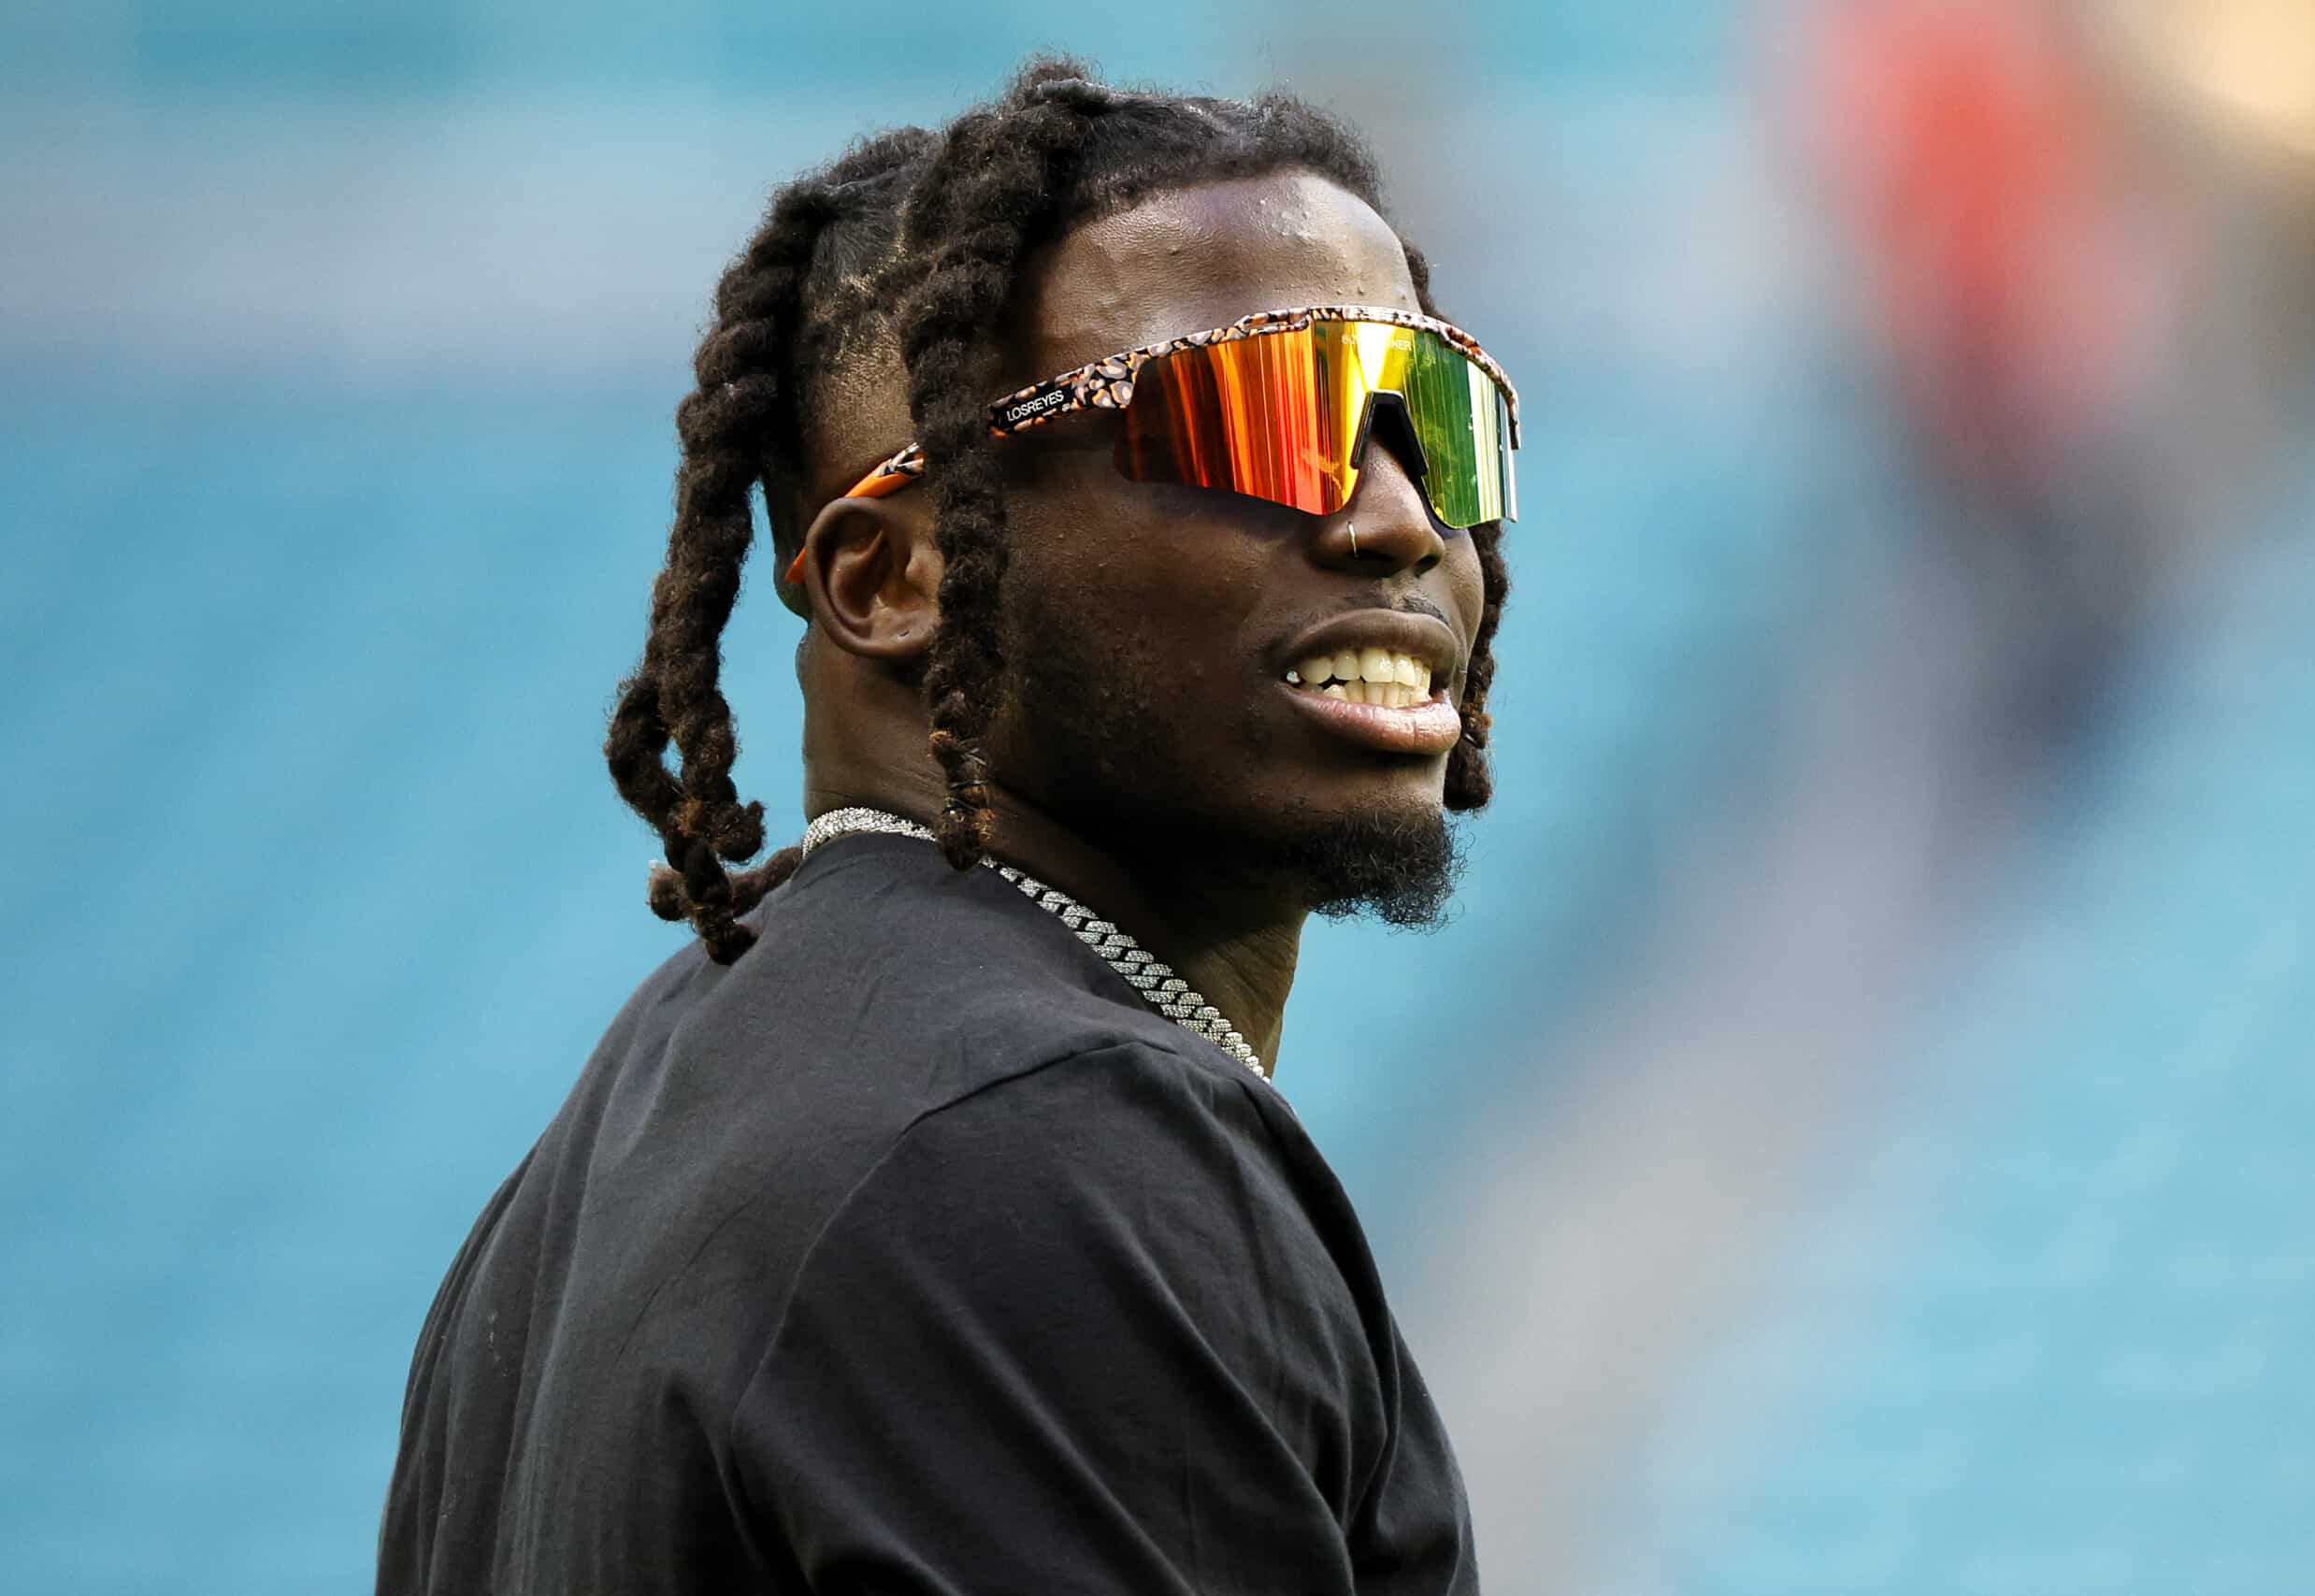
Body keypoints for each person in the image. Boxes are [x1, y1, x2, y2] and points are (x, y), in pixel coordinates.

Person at [377, 50, 1519, 1594]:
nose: (1398, 515)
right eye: (1264, 415)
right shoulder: (1042, 1138)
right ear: (891, 578)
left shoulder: (604, 1167)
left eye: (1433, 418)